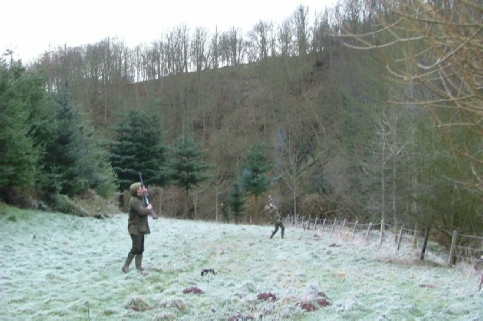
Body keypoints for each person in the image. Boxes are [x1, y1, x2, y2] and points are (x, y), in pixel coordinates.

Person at [122, 182, 153, 273]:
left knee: (141, 248)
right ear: (136, 191)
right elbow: (141, 211)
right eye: (141, 188)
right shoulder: (134, 200)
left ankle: (138, 266)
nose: (143, 188)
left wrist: (146, 194)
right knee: (136, 248)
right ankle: (126, 266)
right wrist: (148, 209)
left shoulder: (140, 198)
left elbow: (145, 201)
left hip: (140, 227)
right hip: (134, 228)